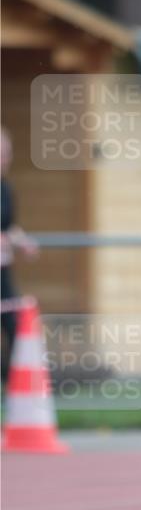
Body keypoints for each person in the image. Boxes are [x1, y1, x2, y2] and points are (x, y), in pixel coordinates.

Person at [1, 127, 39, 384]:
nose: (5, 159)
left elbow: (8, 226)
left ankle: (17, 384)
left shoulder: (5, 189)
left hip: (2, 270)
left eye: (7, 153)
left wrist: (22, 241)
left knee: (16, 324)